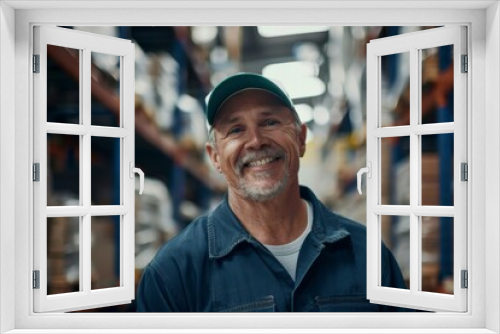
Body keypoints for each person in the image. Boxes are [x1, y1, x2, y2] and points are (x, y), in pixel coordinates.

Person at [136, 72, 408, 312]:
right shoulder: (173, 274)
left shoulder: (367, 254)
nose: (255, 141)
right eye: (236, 129)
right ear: (215, 157)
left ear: (301, 138)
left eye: (270, 123)